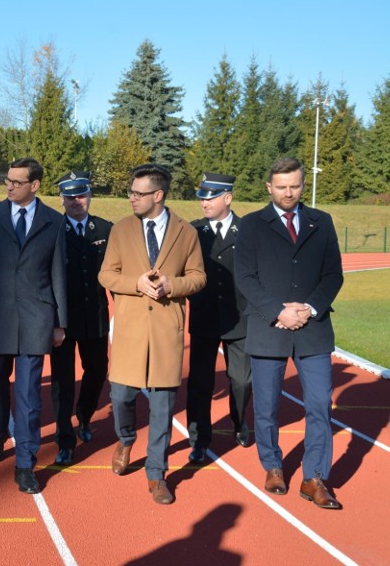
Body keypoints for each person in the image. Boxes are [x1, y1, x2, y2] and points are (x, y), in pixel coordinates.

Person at [234, 157, 344, 510]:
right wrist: (277, 310)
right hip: (269, 327)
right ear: (269, 187)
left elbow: (333, 275)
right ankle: (273, 466)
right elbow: (245, 277)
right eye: (281, 187)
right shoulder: (251, 225)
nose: (288, 192)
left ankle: (314, 478)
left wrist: (308, 309)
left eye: (295, 186)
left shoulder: (321, 222)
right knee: (266, 406)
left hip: (313, 330)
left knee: (319, 405)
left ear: (302, 185)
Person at [0, 157, 67, 495]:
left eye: (17, 182)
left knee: (30, 394)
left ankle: (25, 464)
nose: (9, 185)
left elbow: (58, 274)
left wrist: (60, 323)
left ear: (34, 185)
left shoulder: (54, 221)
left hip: (36, 318)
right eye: (8, 180)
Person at [97, 163, 205, 505]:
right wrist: (135, 284)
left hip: (165, 331)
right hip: (129, 330)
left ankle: (157, 474)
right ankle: (126, 438)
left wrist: (174, 285)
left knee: (163, 407)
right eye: (131, 191)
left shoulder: (187, 232)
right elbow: (106, 275)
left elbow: (199, 277)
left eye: (138, 193)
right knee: (121, 398)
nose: (132, 197)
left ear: (158, 195)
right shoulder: (121, 230)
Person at [186, 173, 252, 463]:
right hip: (204, 317)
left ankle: (239, 421)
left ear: (228, 198)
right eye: (202, 197)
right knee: (200, 383)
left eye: (211, 197)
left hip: (240, 318)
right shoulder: (193, 232)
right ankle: (199, 439)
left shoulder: (248, 230)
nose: (204, 202)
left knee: (242, 381)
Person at [49, 171, 112, 466]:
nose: (77, 201)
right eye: (70, 196)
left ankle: (84, 416)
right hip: (61, 319)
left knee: (98, 371)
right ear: (61, 198)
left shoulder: (106, 229)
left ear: (89, 195)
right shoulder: (51, 228)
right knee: (62, 382)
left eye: (82, 194)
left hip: (95, 317)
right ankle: (65, 440)